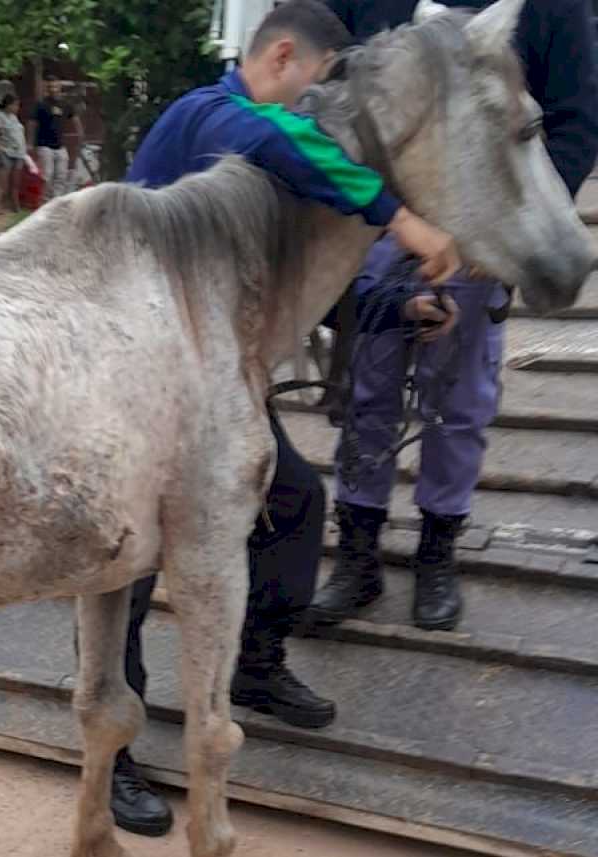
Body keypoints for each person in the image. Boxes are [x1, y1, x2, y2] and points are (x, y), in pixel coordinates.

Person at [109, 0, 465, 838]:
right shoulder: (206, 117)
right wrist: (400, 215)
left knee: (296, 502)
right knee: (122, 573)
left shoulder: (261, 158)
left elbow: (307, 285)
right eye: (314, 84)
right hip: (131, 386)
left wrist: (399, 308)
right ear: (279, 57)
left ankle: (259, 665)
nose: (315, 110)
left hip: (216, 394)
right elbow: (287, 141)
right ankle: (117, 751)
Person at [309, 0, 598, 632]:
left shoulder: (556, 10)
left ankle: (437, 553)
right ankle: (357, 555)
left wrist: (511, 232)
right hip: (380, 214)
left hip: (483, 223)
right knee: (367, 388)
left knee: (460, 400)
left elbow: (576, 122)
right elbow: (325, 56)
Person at [27, 74, 84, 201]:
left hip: (60, 146)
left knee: (61, 176)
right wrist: (30, 143)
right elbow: (31, 123)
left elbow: (75, 119)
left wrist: (80, 134)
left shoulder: (66, 104)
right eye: (50, 86)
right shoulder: (41, 104)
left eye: (56, 86)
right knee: (47, 175)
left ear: (60, 87)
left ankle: (56, 202)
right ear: (47, 88)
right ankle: (44, 201)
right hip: (44, 145)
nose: (53, 89)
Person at [0, 94, 27, 214]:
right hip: (6, 152)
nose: (17, 107)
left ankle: (15, 205)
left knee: (16, 182)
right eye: (15, 105)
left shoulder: (14, 118)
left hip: (18, 153)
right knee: (2, 181)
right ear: (8, 105)